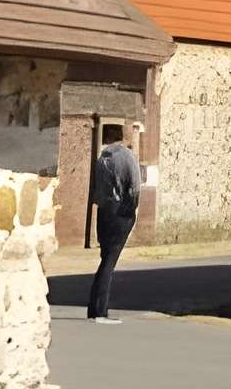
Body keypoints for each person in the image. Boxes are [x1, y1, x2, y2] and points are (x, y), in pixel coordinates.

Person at [86, 123, 142, 323]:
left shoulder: (102, 159)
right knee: (109, 262)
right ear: (121, 136)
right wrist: (131, 211)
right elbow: (135, 186)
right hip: (121, 212)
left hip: (104, 212)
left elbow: (95, 192)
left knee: (105, 260)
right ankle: (100, 310)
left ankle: (95, 308)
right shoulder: (127, 157)